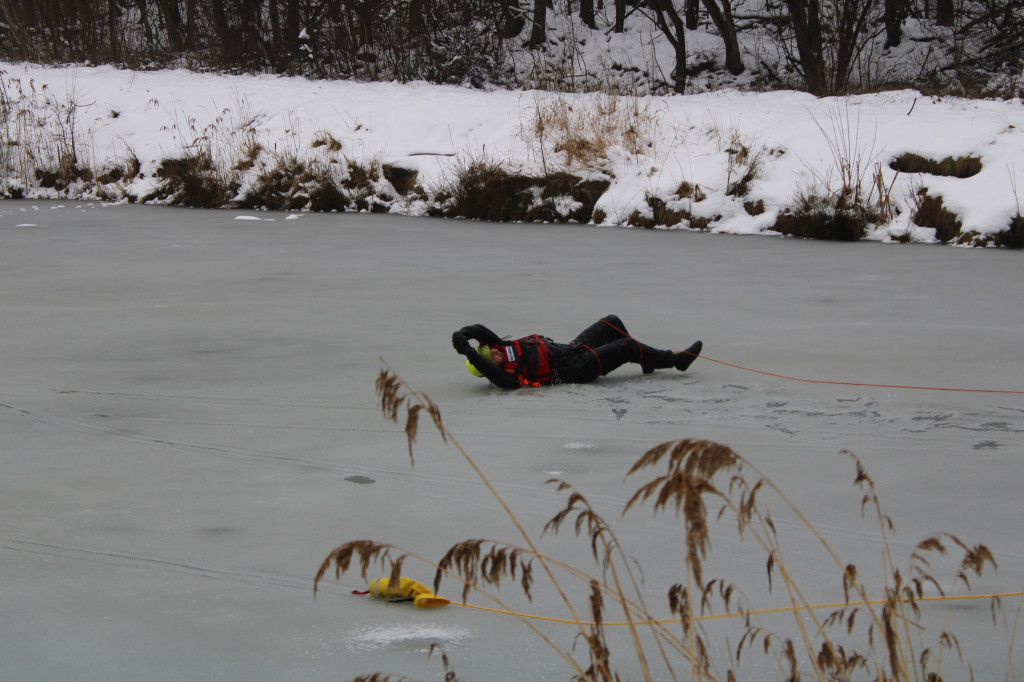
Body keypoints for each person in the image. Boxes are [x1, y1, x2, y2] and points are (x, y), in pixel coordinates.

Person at [452, 315, 702, 389]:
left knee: (611, 322)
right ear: (489, 369)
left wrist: (462, 335)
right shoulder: (505, 378)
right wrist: (470, 355)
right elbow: (487, 367)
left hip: (571, 349)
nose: (494, 353)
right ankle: (675, 361)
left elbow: (479, 330)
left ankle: (646, 360)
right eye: (490, 358)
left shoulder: (499, 347)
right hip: (578, 369)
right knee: (626, 347)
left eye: (489, 351)